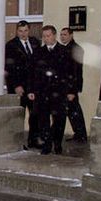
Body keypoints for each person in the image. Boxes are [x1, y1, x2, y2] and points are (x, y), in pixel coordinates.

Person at [29, 26, 74, 155]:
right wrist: (31, 90)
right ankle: (47, 144)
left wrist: (71, 91)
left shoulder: (64, 51)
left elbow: (71, 73)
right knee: (43, 120)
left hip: (59, 92)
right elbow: (32, 72)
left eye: (49, 36)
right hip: (42, 92)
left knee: (59, 119)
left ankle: (58, 144)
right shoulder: (38, 52)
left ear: (54, 36)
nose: (46, 38)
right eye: (44, 36)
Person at [5, 20, 41, 149]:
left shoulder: (35, 43)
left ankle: (33, 139)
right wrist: (16, 85)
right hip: (19, 86)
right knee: (18, 115)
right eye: (20, 31)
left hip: (32, 86)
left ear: (29, 30)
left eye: (25, 31)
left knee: (35, 114)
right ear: (16, 31)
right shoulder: (11, 45)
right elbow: (10, 68)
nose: (23, 33)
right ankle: (17, 142)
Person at [59, 27, 87, 142]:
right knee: (72, 111)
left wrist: (72, 90)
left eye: (64, 34)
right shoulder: (66, 48)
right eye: (61, 35)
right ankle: (79, 134)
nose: (62, 37)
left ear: (71, 35)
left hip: (70, 86)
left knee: (74, 111)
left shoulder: (75, 49)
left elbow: (75, 71)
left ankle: (81, 134)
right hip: (66, 85)